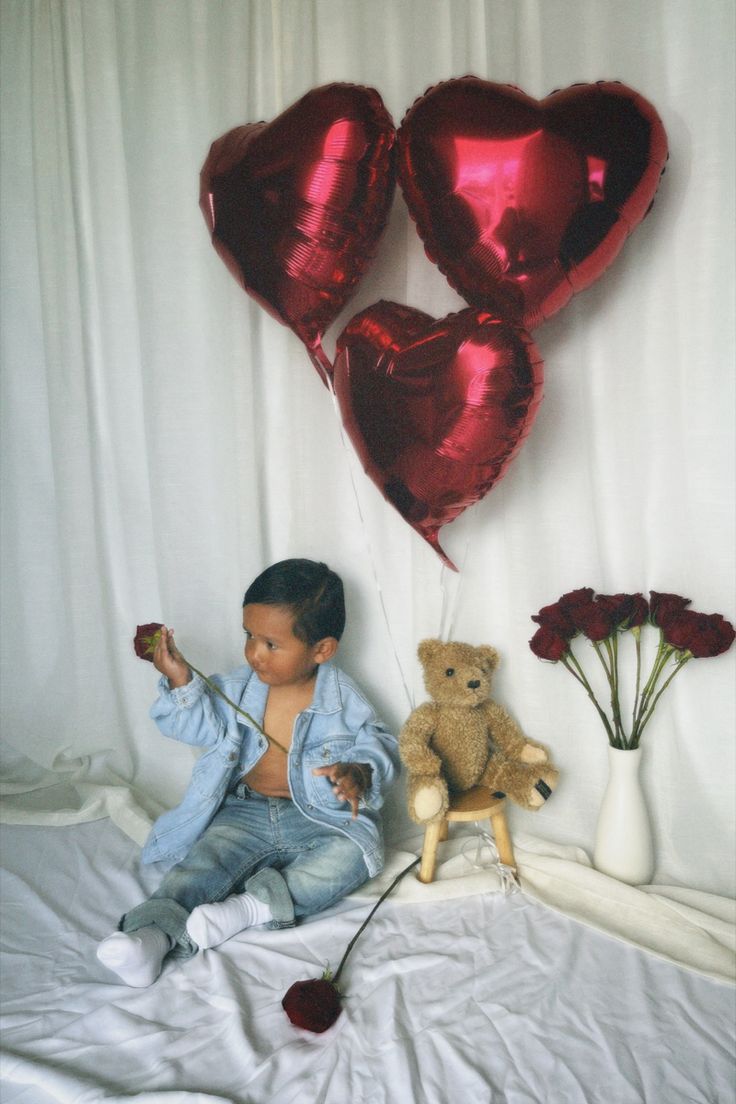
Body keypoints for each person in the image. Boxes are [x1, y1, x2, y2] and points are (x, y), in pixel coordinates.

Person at [97, 559, 399, 986]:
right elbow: (194, 727)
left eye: (271, 644)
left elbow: (381, 743)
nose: (254, 652)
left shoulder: (342, 698)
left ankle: (249, 909)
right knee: (202, 867)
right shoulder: (239, 688)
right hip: (245, 814)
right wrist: (183, 683)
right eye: (249, 636)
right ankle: (150, 937)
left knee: (353, 858)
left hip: (317, 817)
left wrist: (359, 772)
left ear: (321, 650)